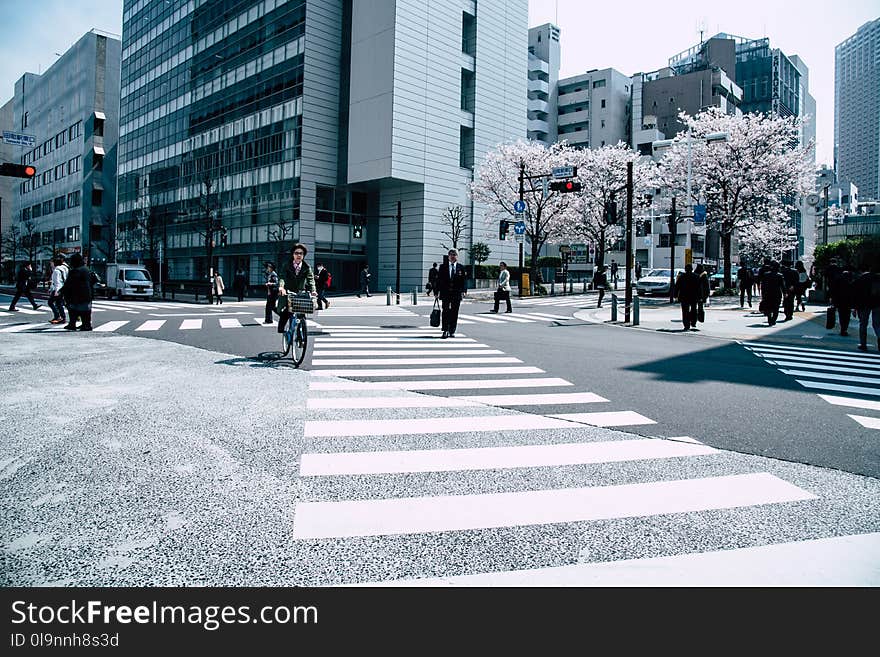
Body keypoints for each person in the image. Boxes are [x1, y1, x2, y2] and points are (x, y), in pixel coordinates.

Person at [276, 244, 317, 333]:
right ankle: (282, 330)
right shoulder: (286, 265)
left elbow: (311, 280)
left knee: (302, 312)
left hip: (300, 293)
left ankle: (301, 335)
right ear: (293, 254)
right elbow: (282, 277)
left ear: (303, 255)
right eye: (296, 253)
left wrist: (313, 290)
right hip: (288, 292)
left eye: (301, 253)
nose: (299, 255)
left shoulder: (307, 267)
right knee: (286, 311)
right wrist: (281, 287)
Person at [434, 249, 467, 338]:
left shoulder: (461, 267)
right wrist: (436, 292)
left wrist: (464, 291)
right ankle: (445, 330)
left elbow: (464, 281)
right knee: (445, 311)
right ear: (448, 256)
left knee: (454, 312)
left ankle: (452, 330)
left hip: (456, 293)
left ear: (457, 256)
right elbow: (438, 280)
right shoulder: (443, 267)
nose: (453, 256)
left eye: (454, 254)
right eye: (451, 254)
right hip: (445, 293)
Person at [62, 253, 93, 331]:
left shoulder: (75, 271)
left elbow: (69, 284)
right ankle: (86, 325)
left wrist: (62, 291)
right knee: (86, 311)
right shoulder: (87, 269)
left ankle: (72, 324)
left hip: (76, 295)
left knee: (73, 310)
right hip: (87, 294)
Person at [852, 262, 880, 351]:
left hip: (863, 305)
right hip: (877, 303)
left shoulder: (860, 280)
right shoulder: (876, 278)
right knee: (877, 324)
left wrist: (854, 308)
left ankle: (863, 344)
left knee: (863, 324)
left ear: (860, 271)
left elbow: (855, 295)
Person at [827, 261, 854, 337]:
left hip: (839, 301)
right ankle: (844, 329)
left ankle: (843, 328)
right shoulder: (850, 281)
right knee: (847, 316)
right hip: (848, 301)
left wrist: (832, 298)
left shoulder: (838, 279)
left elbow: (833, 290)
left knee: (841, 315)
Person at [674, 263, 701, 330]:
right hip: (694, 296)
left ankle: (686, 324)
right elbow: (700, 288)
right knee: (694, 309)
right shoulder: (697, 276)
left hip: (684, 296)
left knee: (685, 311)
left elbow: (677, 287)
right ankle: (693, 322)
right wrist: (700, 296)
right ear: (692, 269)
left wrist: (675, 295)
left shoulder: (682, 277)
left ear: (685, 270)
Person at [758, 260, 785, 326]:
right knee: (776, 307)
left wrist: (763, 293)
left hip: (767, 293)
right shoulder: (780, 276)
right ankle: (773, 320)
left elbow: (763, 285)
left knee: (768, 307)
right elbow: (782, 286)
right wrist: (785, 293)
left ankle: (769, 319)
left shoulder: (766, 275)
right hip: (777, 293)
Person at [47, 255, 69, 324]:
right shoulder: (64, 268)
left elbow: (57, 282)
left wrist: (56, 291)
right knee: (59, 304)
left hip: (58, 289)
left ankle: (59, 317)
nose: (50, 264)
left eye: (51, 262)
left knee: (51, 302)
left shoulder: (56, 270)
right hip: (62, 288)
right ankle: (61, 317)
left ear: (55, 263)